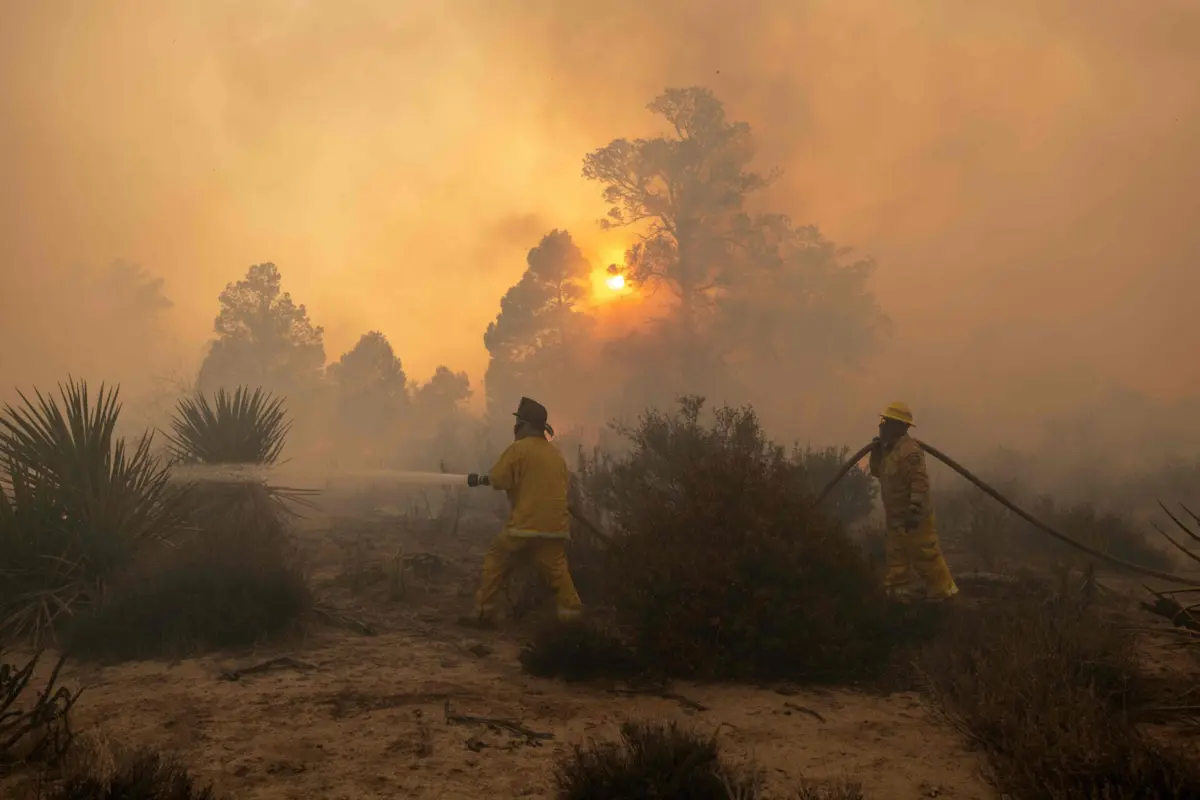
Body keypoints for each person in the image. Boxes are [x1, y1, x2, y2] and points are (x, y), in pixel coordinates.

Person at [465, 397, 583, 624]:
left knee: (497, 558)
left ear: (525, 425)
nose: (516, 427)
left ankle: (483, 612)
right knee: (558, 573)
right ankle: (573, 621)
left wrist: (481, 479)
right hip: (554, 528)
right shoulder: (555, 455)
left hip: (524, 527)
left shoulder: (519, 449)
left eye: (518, 422)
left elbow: (499, 479)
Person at [868, 401, 959, 602]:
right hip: (896, 518)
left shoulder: (910, 452)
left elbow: (919, 482)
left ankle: (945, 593)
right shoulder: (888, 451)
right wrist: (876, 454)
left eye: (887, 422)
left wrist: (914, 509)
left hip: (915, 517)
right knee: (896, 555)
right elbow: (878, 473)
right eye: (882, 421)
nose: (882, 426)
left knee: (926, 555)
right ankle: (898, 592)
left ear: (900, 427)